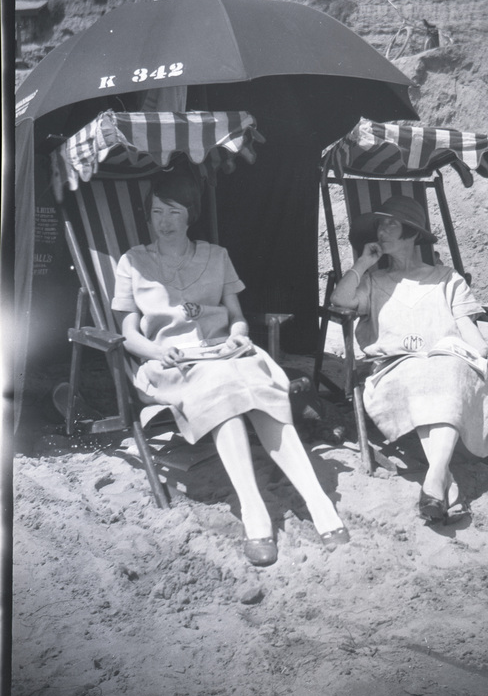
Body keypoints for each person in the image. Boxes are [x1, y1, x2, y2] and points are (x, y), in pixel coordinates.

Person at [112, 164, 349, 566]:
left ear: (190, 215)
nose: (163, 222)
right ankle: (253, 507)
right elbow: (127, 330)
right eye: (156, 212)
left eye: (173, 212)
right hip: (174, 364)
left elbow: (236, 315)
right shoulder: (133, 262)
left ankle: (317, 500)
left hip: (224, 352)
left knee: (254, 388)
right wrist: (155, 352)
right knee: (226, 386)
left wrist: (239, 335)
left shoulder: (216, 256)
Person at [331, 195, 488, 524]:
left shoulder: (445, 278)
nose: (382, 230)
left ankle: (435, 482)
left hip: (446, 363)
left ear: (412, 235)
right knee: (428, 374)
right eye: (380, 224)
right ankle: (443, 483)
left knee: (447, 369)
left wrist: (482, 351)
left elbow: (467, 327)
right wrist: (363, 264)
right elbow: (340, 300)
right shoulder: (373, 281)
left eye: (391, 224)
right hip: (398, 368)